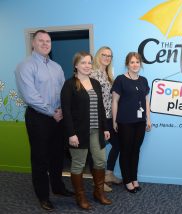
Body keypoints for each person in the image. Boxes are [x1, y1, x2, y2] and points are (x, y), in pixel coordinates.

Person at [15, 29, 73, 212]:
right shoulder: (25, 66)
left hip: (58, 116)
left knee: (58, 156)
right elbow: (30, 96)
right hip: (39, 117)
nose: (45, 44)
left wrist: (62, 110)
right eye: (41, 40)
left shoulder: (56, 67)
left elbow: (64, 91)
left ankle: (58, 187)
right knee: (40, 159)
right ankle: (43, 196)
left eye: (48, 41)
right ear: (33, 43)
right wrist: (51, 112)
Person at [60, 51, 112, 209]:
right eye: (83, 62)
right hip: (78, 132)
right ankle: (80, 196)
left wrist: (105, 128)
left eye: (89, 62)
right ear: (76, 65)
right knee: (78, 164)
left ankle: (99, 192)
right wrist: (71, 133)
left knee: (101, 160)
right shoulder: (69, 84)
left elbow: (101, 108)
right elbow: (66, 111)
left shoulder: (95, 83)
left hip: (96, 130)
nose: (87, 65)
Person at [111, 52, 151, 193]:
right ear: (127, 64)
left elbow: (146, 101)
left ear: (140, 64)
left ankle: (134, 178)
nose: (135, 65)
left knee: (136, 151)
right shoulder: (120, 80)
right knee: (126, 151)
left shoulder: (144, 80)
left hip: (140, 122)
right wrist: (115, 120)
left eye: (137, 62)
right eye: (132, 62)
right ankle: (127, 180)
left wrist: (148, 119)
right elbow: (114, 101)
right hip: (125, 122)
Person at [90, 46, 122, 192]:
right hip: (98, 118)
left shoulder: (109, 74)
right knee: (98, 150)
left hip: (109, 117)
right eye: (104, 54)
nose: (107, 57)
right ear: (98, 56)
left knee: (118, 145)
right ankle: (98, 181)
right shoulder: (92, 73)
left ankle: (108, 174)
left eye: (110, 56)